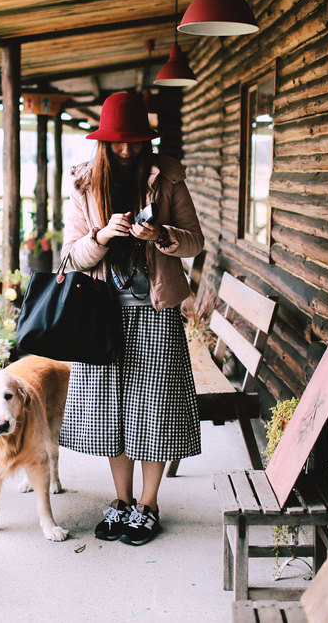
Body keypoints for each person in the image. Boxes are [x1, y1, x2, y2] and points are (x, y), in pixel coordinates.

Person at [59, 91, 204, 546]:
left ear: (146, 139)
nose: (126, 150)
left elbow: (195, 241)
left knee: (154, 411)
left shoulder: (168, 177)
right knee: (109, 413)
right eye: (118, 142)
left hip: (156, 310)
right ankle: (120, 502)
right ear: (103, 142)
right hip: (101, 315)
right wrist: (101, 235)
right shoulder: (84, 183)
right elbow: (70, 257)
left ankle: (148, 504)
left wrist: (161, 235)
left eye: (135, 142)